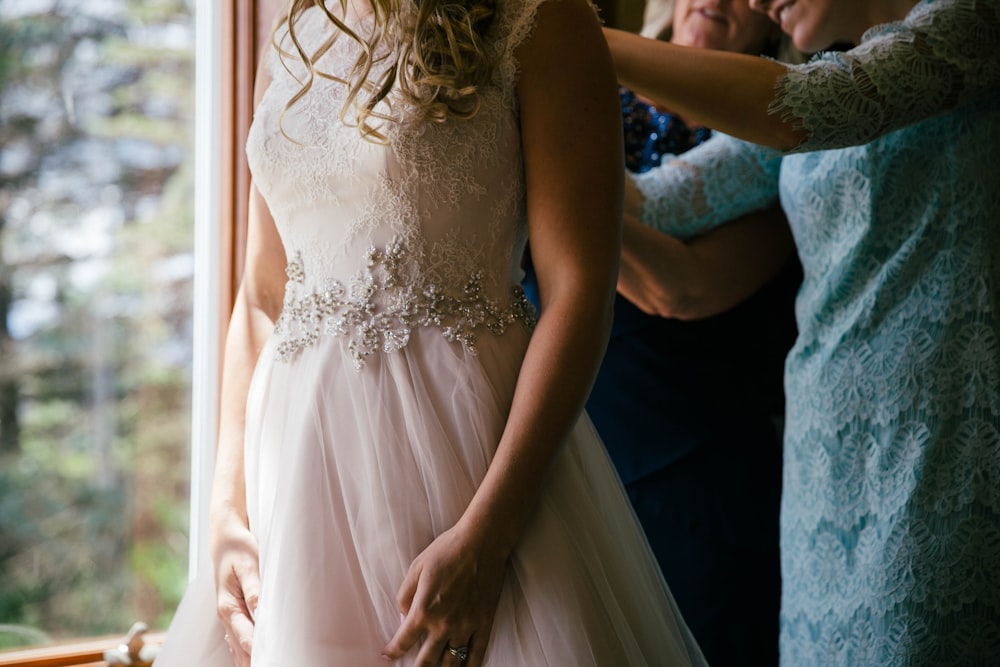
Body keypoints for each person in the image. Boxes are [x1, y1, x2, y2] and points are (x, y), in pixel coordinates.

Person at [155, 0, 707, 665]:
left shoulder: (542, 20)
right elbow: (262, 295)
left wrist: (489, 534)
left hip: (462, 464)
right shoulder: (294, 35)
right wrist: (224, 512)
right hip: (298, 482)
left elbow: (580, 294)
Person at [603, 0, 1000, 664]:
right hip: (819, 468)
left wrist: (571, 39)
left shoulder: (969, 22)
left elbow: (797, 106)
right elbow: (656, 202)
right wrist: (521, 122)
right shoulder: (818, 79)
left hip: (936, 444)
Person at [523, 1, 800, 664]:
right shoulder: (574, 98)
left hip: (697, 485)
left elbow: (681, 286)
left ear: (773, 17)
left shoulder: (783, 138)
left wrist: (560, 187)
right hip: (555, 449)